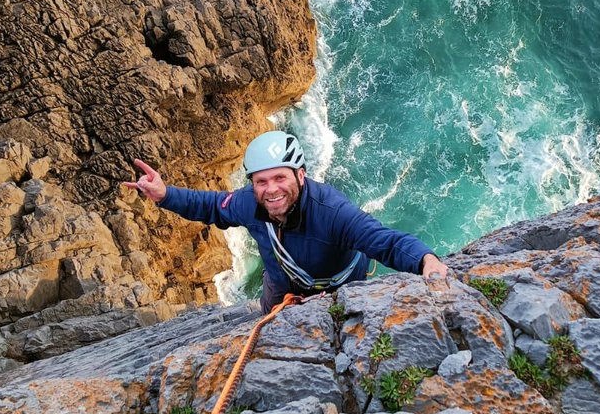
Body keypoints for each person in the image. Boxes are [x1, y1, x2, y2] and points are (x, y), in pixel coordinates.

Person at [123, 131, 449, 312]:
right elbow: (208, 205)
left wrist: (426, 261)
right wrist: (165, 194)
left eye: (280, 177)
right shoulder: (248, 203)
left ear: (301, 175)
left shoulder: (332, 212)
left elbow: (385, 241)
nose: (271, 189)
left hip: (339, 288)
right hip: (281, 289)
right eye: (261, 181)